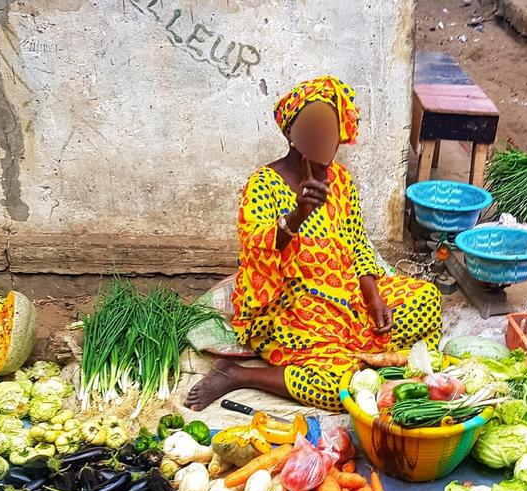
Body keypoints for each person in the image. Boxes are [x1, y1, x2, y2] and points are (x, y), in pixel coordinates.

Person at [186, 76, 442, 413]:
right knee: (342, 390)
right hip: (288, 305)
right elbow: (256, 249)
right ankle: (238, 374)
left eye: (330, 128)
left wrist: (373, 296)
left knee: (427, 300)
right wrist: (297, 215)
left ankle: (351, 353)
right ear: (292, 134)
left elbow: (357, 242)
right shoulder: (263, 184)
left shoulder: (341, 180)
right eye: (312, 128)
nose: (323, 137)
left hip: (345, 297)